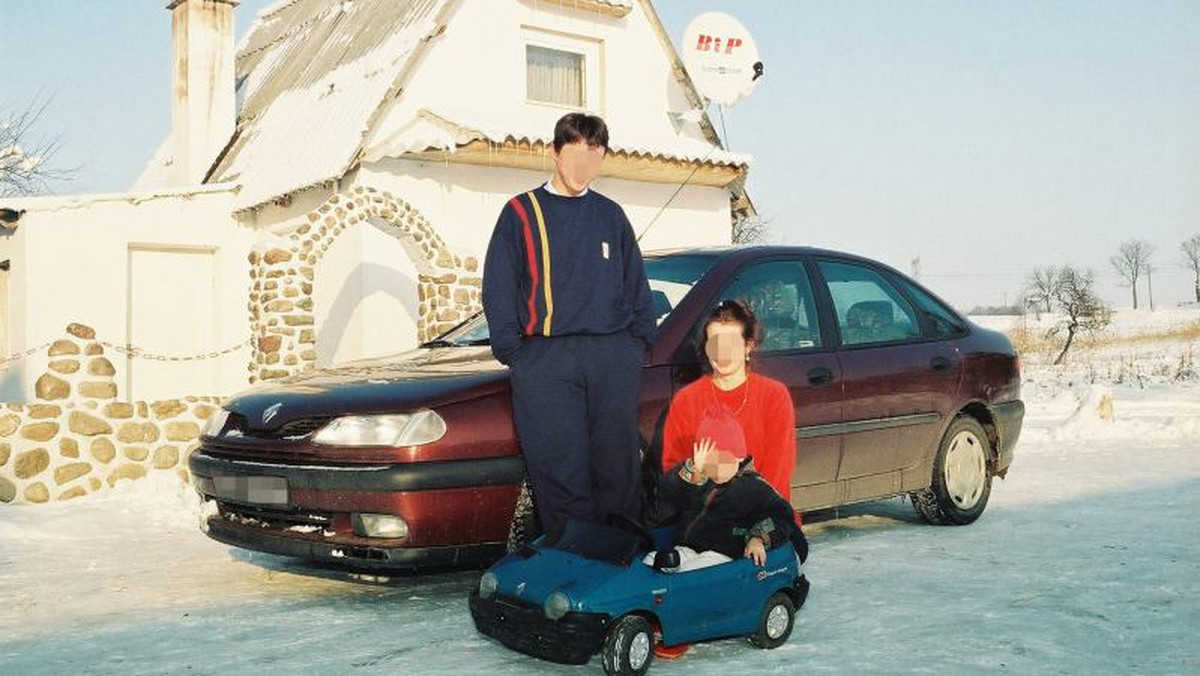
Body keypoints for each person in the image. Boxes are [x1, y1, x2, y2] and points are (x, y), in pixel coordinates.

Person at [482, 112, 655, 541]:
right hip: (546, 360)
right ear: (555, 152)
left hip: (611, 356)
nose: (583, 166)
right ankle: (571, 560)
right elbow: (499, 285)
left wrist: (635, 347)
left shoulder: (610, 215)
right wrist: (517, 354)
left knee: (617, 466)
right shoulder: (521, 213)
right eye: (575, 153)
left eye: (593, 156)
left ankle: (620, 563)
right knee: (560, 469)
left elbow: (637, 286)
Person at [651, 406, 807, 660]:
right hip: (690, 546)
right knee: (657, 564)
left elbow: (780, 516)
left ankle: (680, 630)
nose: (710, 467)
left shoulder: (753, 489)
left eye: (716, 459)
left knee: (693, 577)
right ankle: (650, 612)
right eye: (704, 459)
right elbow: (670, 492)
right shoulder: (703, 479)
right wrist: (692, 471)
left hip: (726, 556)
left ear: (735, 456)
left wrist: (758, 537)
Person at [660, 300, 797, 505]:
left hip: (762, 517)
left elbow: (777, 471)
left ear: (748, 346)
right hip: (704, 519)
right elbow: (673, 472)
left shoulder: (773, 395)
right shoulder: (687, 399)